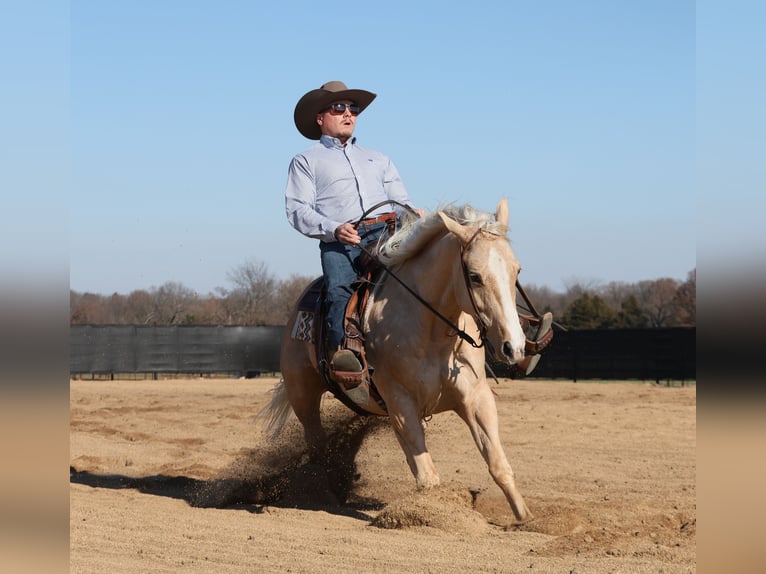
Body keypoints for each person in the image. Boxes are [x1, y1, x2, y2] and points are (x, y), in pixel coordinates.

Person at [285, 81, 424, 375]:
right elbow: (297, 210)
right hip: (342, 242)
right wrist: (334, 229)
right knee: (340, 291)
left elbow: (400, 202)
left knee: (430, 272)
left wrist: (412, 213)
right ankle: (345, 356)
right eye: (339, 107)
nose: (348, 113)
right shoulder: (305, 161)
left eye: (353, 108)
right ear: (320, 118)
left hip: (389, 233)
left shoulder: (379, 158)